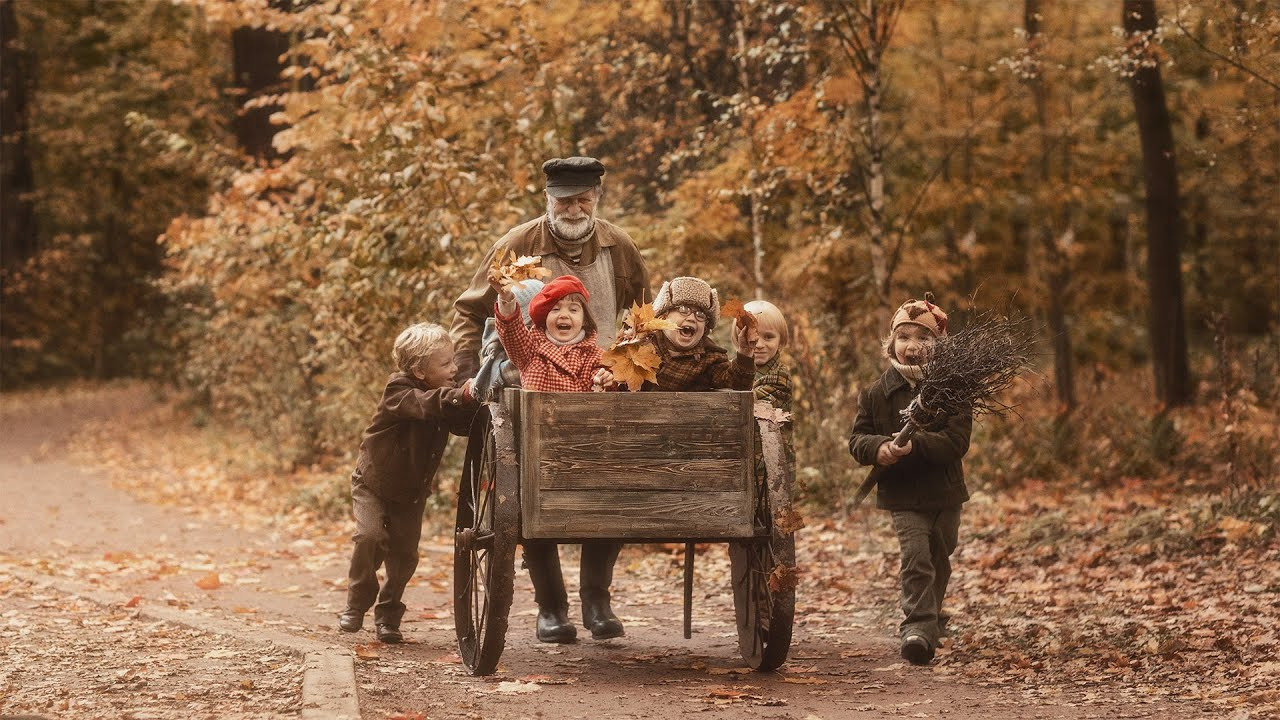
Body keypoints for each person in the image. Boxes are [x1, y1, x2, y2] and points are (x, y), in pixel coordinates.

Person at [451, 156, 650, 644]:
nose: (575, 208)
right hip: (529, 382)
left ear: (597, 198)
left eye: (585, 199)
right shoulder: (517, 245)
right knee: (529, 495)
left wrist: (636, 370)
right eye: (565, 199)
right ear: (548, 198)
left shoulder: (618, 246)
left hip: (597, 384)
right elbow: (470, 310)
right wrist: (465, 376)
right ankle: (551, 608)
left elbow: (647, 315)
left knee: (612, 487)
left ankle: (597, 601)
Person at [847, 296, 972, 666]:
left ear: (939, 348)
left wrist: (913, 443)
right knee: (916, 558)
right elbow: (857, 440)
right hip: (901, 493)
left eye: (924, 338)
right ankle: (917, 628)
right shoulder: (875, 393)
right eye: (904, 337)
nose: (913, 345)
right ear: (891, 343)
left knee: (940, 555)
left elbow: (956, 442)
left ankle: (931, 612)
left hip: (945, 492)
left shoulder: (954, 391)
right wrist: (880, 448)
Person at [339, 322, 479, 644]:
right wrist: (461, 394)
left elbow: (460, 421)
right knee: (369, 535)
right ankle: (357, 603)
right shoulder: (399, 391)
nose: (454, 368)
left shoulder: (443, 395)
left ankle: (388, 616)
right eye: (445, 364)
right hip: (372, 483)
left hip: (411, 492)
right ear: (419, 370)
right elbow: (427, 404)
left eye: (453, 361)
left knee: (404, 556)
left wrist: (478, 401)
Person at [628, 276, 757, 392]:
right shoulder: (642, 344)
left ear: (705, 328)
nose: (692, 318)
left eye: (700, 315)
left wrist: (745, 354)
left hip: (689, 415)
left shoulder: (709, 358)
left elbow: (738, 384)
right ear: (664, 316)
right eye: (683, 309)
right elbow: (619, 378)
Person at [493, 274, 613, 394]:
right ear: (545, 318)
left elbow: (604, 382)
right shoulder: (530, 349)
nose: (564, 315)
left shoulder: (596, 356)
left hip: (579, 412)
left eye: (573, 310)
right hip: (538, 411)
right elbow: (513, 332)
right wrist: (506, 298)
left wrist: (603, 380)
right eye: (555, 309)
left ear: (585, 320)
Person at [730, 300, 793, 412]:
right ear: (739, 338)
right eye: (750, 336)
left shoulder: (780, 376)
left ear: (781, 341)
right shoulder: (731, 368)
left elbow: (747, 405)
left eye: (768, 337)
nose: (758, 345)